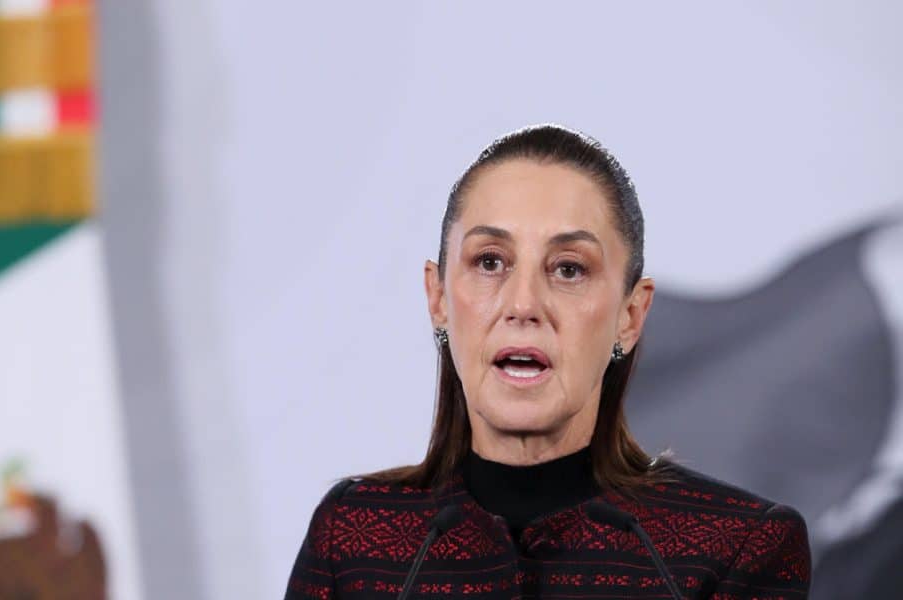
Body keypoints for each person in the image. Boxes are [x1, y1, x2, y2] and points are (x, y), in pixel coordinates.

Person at [283, 124, 811, 599]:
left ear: (631, 314)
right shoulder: (352, 538)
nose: (523, 305)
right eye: (490, 261)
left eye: (568, 269)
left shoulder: (737, 550)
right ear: (438, 297)